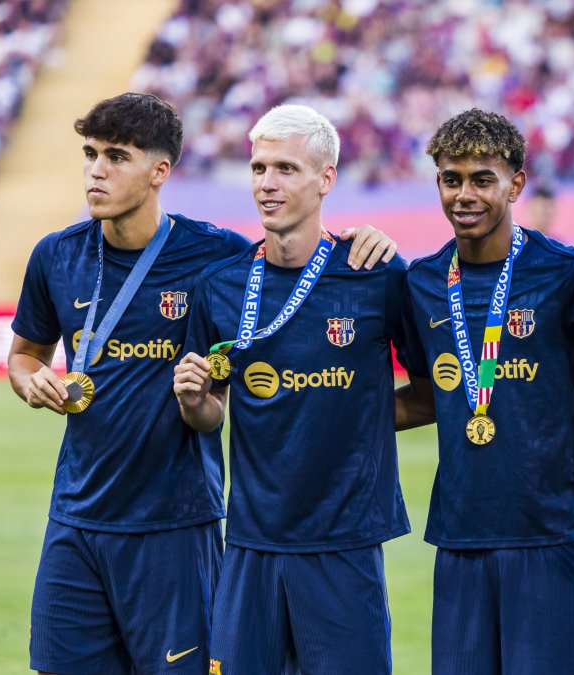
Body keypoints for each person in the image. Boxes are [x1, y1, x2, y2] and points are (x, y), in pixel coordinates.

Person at [8, 93, 394, 675]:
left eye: (116, 156)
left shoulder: (216, 260)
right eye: (90, 154)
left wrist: (362, 238)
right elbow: (24, 356)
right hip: (75, 515)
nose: (96, 169)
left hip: (176, 520)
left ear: (160, 171)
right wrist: (32, 379)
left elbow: (287, 273)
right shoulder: (55, 256)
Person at [172, 104, 408, 674]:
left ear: (326, 179)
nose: (267, 183)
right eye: (258, 168)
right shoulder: (222, 285)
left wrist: (354, 412)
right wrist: (195, 400)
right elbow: (213, 414)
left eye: (286, 168)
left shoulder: (375, 273)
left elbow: (429, 389)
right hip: (251, 539)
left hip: (343, 539)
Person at [394, 108, 574, 674]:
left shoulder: (567, 272)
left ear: (515, 184)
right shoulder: (421, 281)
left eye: (482, 179)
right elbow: (422, 395)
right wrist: (322, 405)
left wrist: (560, 415)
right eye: (451, 178)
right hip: (460, 531)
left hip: (551, 529)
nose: (465, 194)